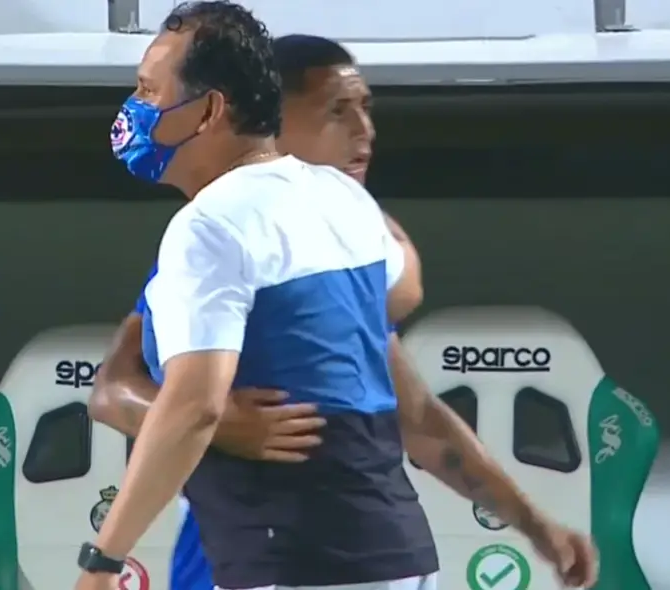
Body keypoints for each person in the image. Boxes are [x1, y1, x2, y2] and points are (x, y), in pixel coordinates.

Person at [77, 3, 598, 589]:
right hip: (396, 556)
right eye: (338, 112)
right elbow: (413, 367)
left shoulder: (211, 230)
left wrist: (102, 564)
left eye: (149, 90)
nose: (135, 109)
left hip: (292, 557)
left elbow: (194, 406)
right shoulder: (344, 206)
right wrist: (536, 526)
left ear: (211, 110)